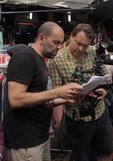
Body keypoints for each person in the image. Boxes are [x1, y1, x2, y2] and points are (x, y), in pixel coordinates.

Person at [3, 22, 83, 161]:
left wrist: (66, 98)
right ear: (41, 39)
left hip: (41, 138)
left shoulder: (40, 60)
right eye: (56, 42)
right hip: (26, 143)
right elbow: (15, 99)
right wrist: (57, 92)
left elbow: (41, 98)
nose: (59, 47)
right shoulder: (25, 57)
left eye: (61, 43)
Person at [47, 23, 113, 161]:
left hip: (100, 112)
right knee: (81, 157)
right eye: (78, 43)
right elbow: (55, 90)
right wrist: (69, 95)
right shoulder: (55, 60)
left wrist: (104, 90)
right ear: (71, 36)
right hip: (78, 118)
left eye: (85, 45)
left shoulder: (93, 51)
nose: (81, 48)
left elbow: (106, 75)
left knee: (107, 151)